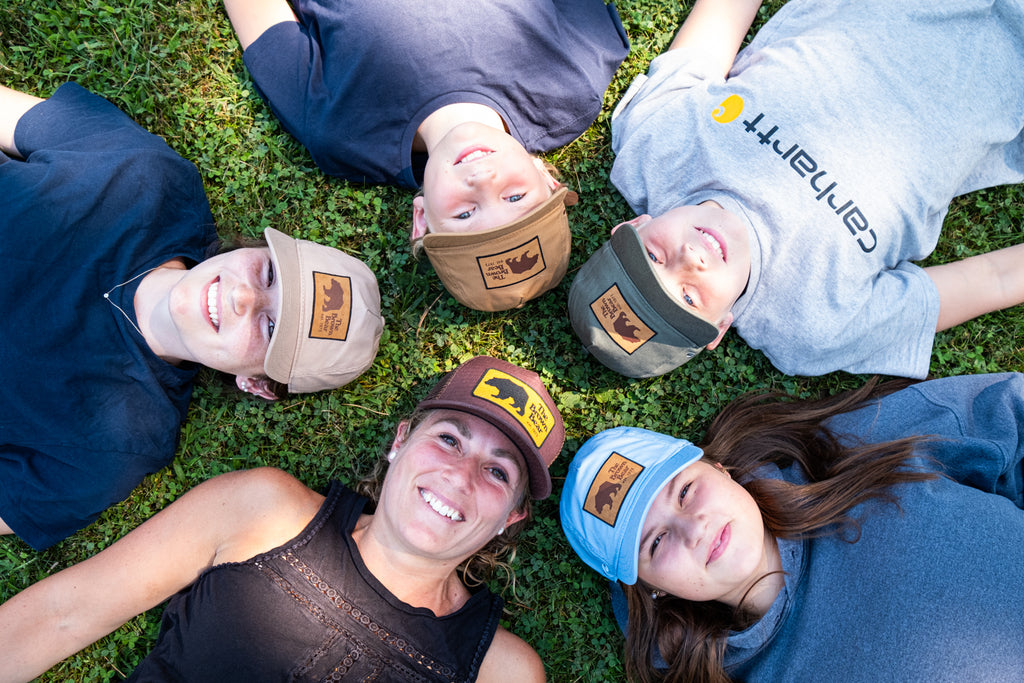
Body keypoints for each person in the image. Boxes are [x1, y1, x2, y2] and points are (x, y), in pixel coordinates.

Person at [0, 355, 565, 681]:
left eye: (497, 472)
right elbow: (62, 617)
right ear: (400, 442)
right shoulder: (263, 511)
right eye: (448, 439)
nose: (461, 476)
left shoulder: (500, 671)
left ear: (509, 520)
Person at [0, 81, 384, 551]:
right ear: (262, 246)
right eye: (267, 275)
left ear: (257, 384)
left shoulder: (118, 445)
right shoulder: (149, 179)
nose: (244, 298)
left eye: (269, 329)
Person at [567, 0, 1024, 378]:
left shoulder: (651, 145)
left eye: (654, 257)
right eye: (689, 298)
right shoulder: (811, 328)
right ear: (719, 327)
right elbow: (992, 280)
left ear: (633, 225)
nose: (691, 260)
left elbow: (723, 17)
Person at [559, 372, 1024, 681]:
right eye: (656, 543)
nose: (693, 528)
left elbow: (1004, 410)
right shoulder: (739, 671)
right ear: (653, 589)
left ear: (718, 467)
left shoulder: (845, 451)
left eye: (684, 491)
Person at [222, 0, 629, 311]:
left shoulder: (341, 132)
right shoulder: (570, 87)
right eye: (515, 198)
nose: (482, 180)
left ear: (421, 220)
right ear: (547, 178)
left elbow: (259, 16)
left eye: (465, 214)